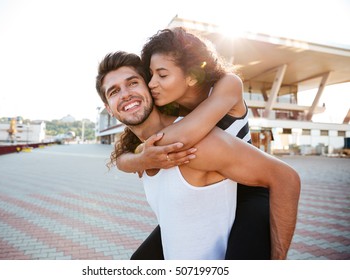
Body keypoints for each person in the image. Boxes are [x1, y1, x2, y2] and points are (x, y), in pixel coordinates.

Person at [95, 51, 301, 259]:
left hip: (252, 199)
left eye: (132, 83)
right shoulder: (142, 149)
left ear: (149, 86)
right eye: (113, 92)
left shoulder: (193, 143)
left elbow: (286, 178)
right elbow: (122, 157)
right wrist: (139, 159)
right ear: (108, 109)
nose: (125, 94)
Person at [115, 27, 270, 260]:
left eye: (162, 75)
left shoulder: (228, 84)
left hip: (248, 192)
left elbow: (182, 138)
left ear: (192, 75)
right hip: (210, 198)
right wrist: (136, 159)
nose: (152, 83)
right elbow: (120, 156)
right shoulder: (173, 103)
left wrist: (140, 153)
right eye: (151, 75)